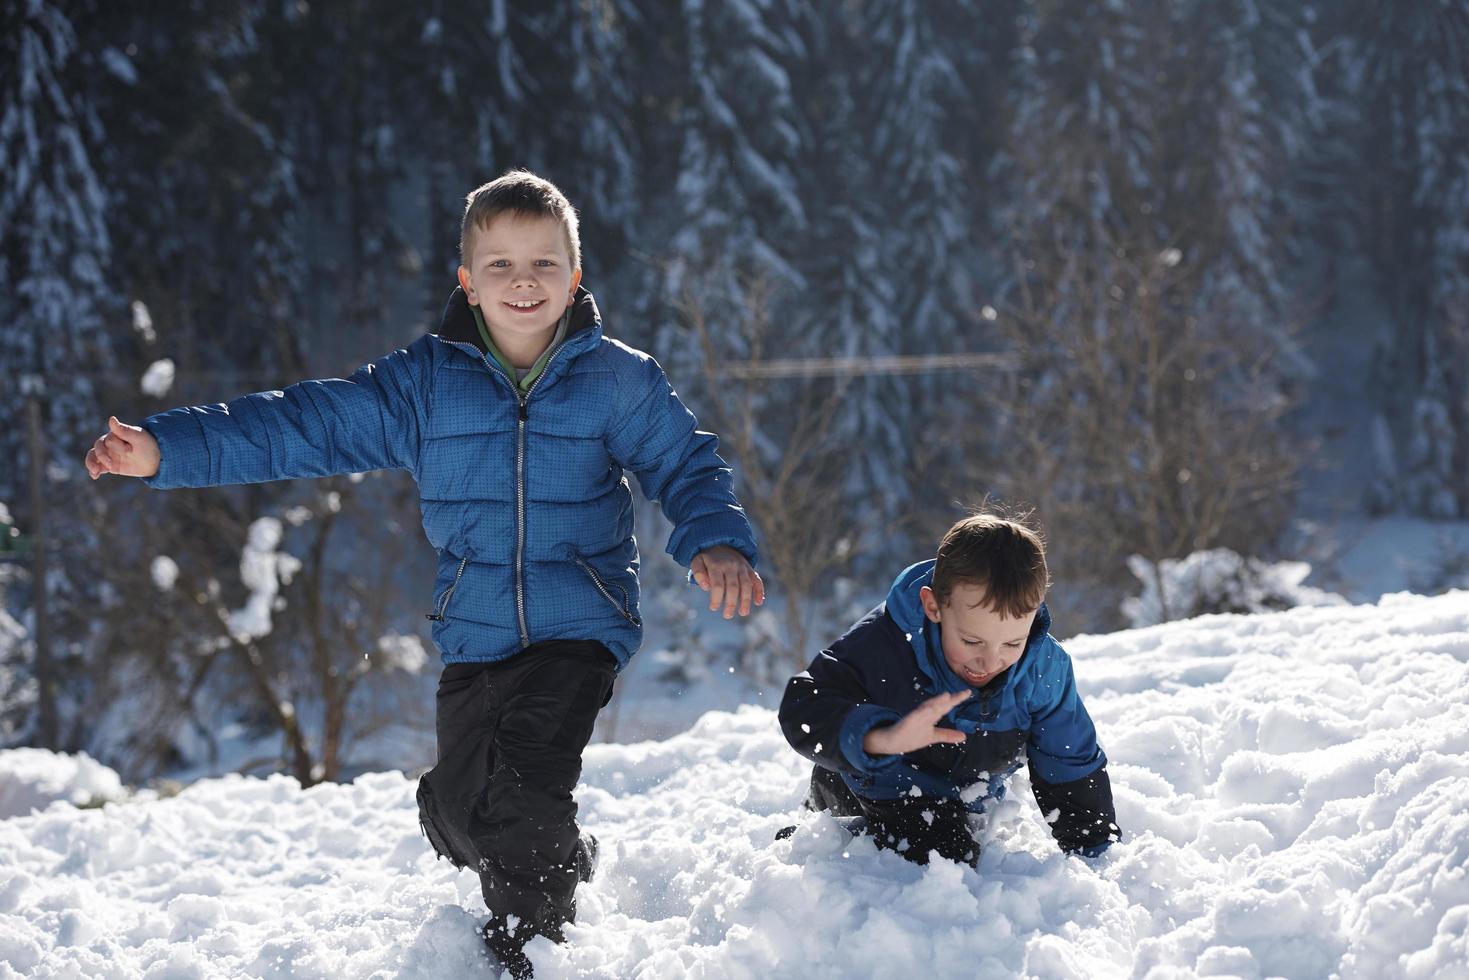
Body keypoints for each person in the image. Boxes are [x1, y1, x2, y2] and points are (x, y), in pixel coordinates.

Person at [84, 170, 763, 977]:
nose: (523, 282)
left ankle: (532, 947)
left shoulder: (619, 380)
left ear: (575, 279)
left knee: (521, 791)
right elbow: (305, 426)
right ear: (466, 282)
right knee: (462, 809)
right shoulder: (423, 387)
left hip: (580, 621)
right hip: (473, 631)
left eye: (544, 264)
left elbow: (684, 464)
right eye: (501, 265)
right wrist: (168, 450)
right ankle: (550, 852)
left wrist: (713, 540)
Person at [777, 512, 1116, 867]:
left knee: (955, 844)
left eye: (1012, 643)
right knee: (946, 860)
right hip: (890, 781)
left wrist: (1093, 850)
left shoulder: (1044, 668)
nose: (990, 660)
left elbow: (1068, 757)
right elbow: (805, 704)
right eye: (972, 641)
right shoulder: (885, 647)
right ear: (933, 606)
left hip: (970, 789)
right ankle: (828, 829)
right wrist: (880, 738)